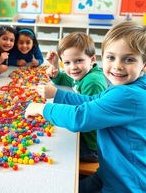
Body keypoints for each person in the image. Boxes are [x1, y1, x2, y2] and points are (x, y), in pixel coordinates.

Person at [25, 21, 146, 193]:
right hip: (109, 173)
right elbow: (93, 100)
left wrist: (42, 108)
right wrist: (58, 95)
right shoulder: (127, 88)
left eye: (129, 59)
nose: (118, 66)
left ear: (144, 65)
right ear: (102, 57)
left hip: (125, 184)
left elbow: (79, 118)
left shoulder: (128, 95)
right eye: (111, 57)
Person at [44, 32, 108, 162]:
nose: (73, 67)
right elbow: (66, 80)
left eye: (79, 60)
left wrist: (55, 100)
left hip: (92, 147)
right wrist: (55, 70)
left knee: (55, 151)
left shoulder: (92, 82)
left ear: (92, 59)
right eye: (67, 63)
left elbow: (85, 117)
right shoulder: (83, 74)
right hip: (85, 134)